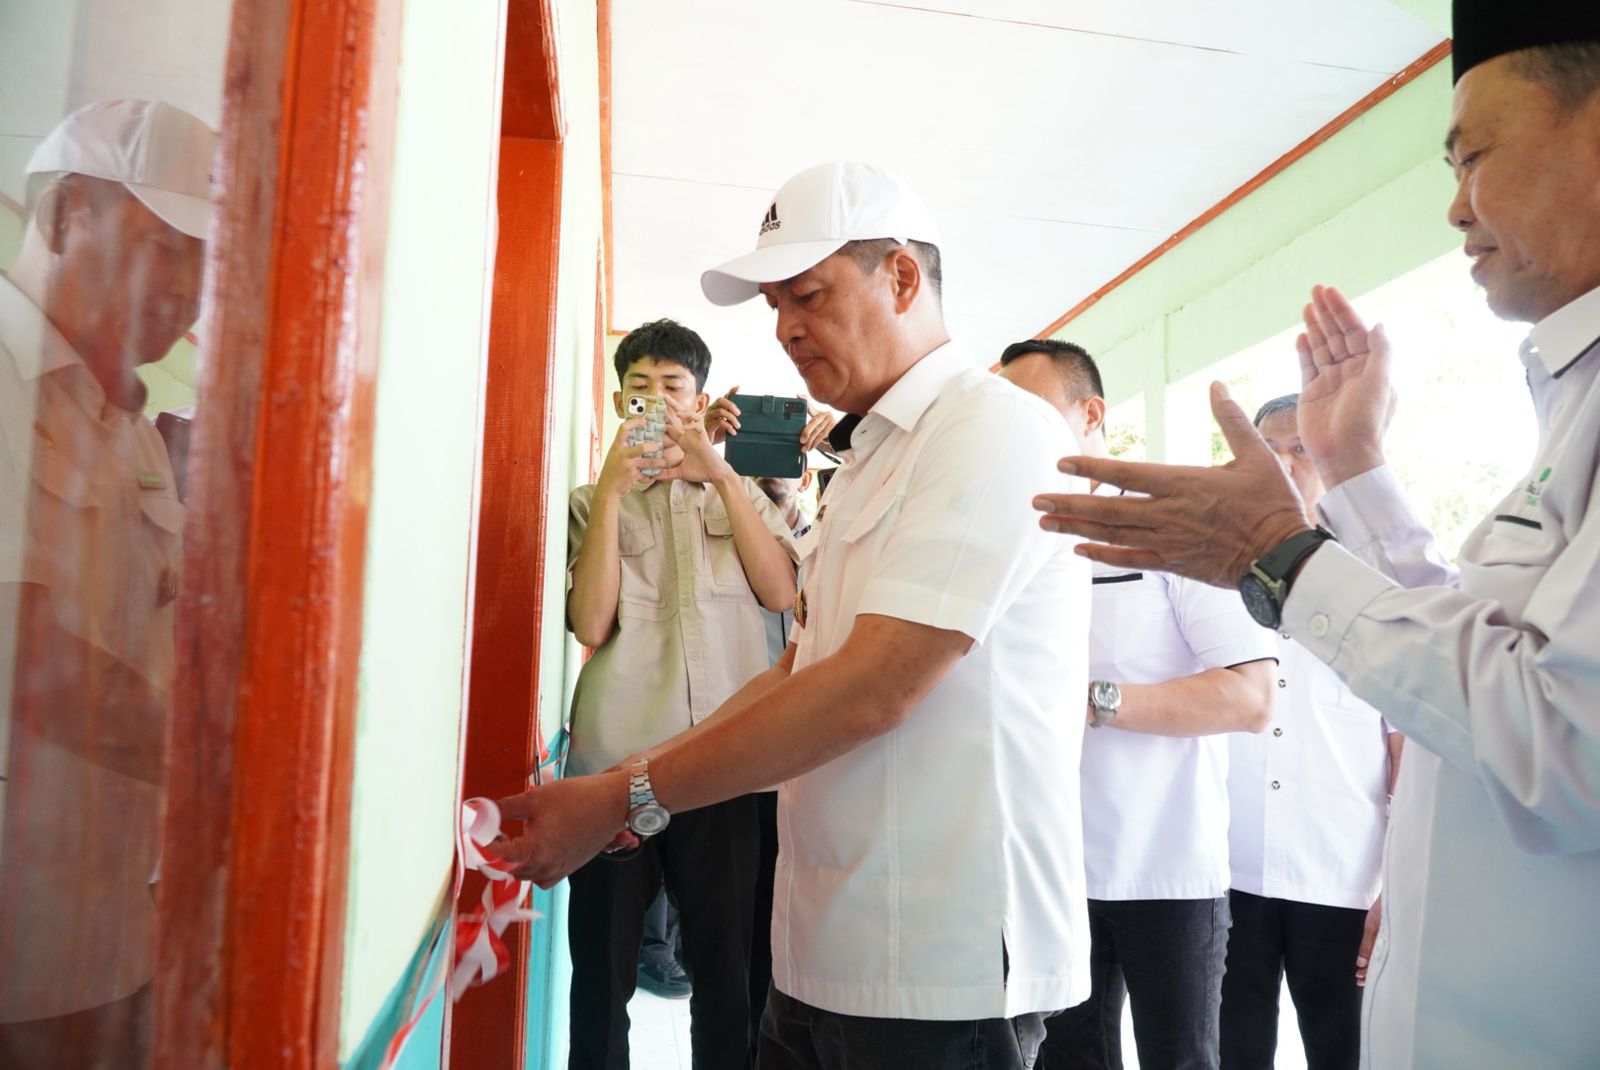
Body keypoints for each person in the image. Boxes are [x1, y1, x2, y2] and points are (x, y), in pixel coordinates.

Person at [1030, 7, 1600, 1065]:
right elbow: (1472, 636)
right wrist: (1355, 474)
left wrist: (1278, 555)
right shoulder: (1569, 396)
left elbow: (1562, 747)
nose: (1453, 205)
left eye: (1474, 154)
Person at [496, 161, 1092, 1070]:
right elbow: (795, 668)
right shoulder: (871, 459)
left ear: (900, 277)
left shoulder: (991, 430)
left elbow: (872, 688)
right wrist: (631, 792)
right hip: (823, 955)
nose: (783, 329)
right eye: (773, 304)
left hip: (942, 968)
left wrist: (623, 794)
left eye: (806, 296)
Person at [0, 99, 212, 1064]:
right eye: (159, 244)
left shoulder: (123, 419)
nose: (185, 288)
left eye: (203, 260)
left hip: (115, 934)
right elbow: (27, 660)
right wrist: (220, 772)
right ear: (61, 216)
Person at [998, 340, 1277, 1070]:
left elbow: (1250, 696)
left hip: (1166, 871)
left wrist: (1092, 701)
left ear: (1090, 414)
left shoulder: (1168, 526)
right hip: (1048, 871)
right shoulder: (1006, 539)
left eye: (1030, 411)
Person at [563, 317, 799, 1069]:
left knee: (731, 982)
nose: (657, 404)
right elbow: (590, 623)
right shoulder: (586, 501)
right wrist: (608, 494)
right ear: (617, 402)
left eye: (673, 389)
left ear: (700, 404)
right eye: (640, 391)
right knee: (601, 981)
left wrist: (723, 476)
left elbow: (780, 590)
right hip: (613, 764)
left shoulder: (740, 498)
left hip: (726, 768)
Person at [1220, 394, 1404, 1070]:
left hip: (1342, 872)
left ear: (1328, 461)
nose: (1285, 463)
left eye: (1302, 449)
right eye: (1271, 448)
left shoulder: (1380, 575)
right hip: (1230, 865)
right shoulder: (1216, 565)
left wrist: (1398, 880)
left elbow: (1403, 741)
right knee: (1233, 1050)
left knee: (1345, 1051)